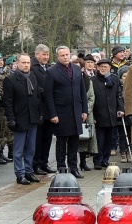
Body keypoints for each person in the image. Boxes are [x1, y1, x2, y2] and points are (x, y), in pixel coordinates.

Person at [43, 46, 88, 179]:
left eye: (67, 54)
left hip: (76, 111)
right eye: (62, 55)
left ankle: (73, 167)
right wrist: (52, 114)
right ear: (57, 57)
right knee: (61, 142)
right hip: (60, 113)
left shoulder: (76, 69)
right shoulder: (51, 71)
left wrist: (84, 110)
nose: (65, 57)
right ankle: (61, 167)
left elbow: (82, 91)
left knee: (74, 141)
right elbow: (48, 95)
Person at [3, 53, 42, 185]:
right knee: (19, 150)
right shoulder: (10, 79)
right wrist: (11, 119)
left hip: (33, 118)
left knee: (31, 148)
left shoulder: (32, 77)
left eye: (28, 63)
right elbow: (8, 102)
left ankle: (28, 171)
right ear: (18, 64)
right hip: (19, 118)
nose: (26, 65)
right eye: (23, 63)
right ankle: (20, 174)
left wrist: (39, 113)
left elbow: (37, 97)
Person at [91, 59, 124, 170]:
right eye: (101, 67)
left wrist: (120, 109)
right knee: (99, 140)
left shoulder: (114, 79)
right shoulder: (93, 80)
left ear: (110, 67)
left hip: (112, 115)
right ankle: (98, 160)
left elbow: (118, 95)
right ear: (98, 68)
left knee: (110, 140)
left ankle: (105, 159)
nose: (103, 69)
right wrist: (93, 116)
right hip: (99, 115)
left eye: (105, 66)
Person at [31, 44, 56, 175]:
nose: (46, 57)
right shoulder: (33, 68)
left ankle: (44, 163)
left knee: (47, 139)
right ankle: (36, 165)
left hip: (49, 108)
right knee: (38, 140)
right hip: (38, 108)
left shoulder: (49, 68)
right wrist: (48, 92)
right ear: (37, 55)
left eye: (47, 55)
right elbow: (34, 87)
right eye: (43, 54)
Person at [72, 58, 97, 171]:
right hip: (72, 113)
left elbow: (91, 97)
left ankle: (83, 162)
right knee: (73, 139)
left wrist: (85, 110)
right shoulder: (69, 80)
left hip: (86, 113)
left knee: (86, 138)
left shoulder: (88, 81)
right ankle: (72, 163)